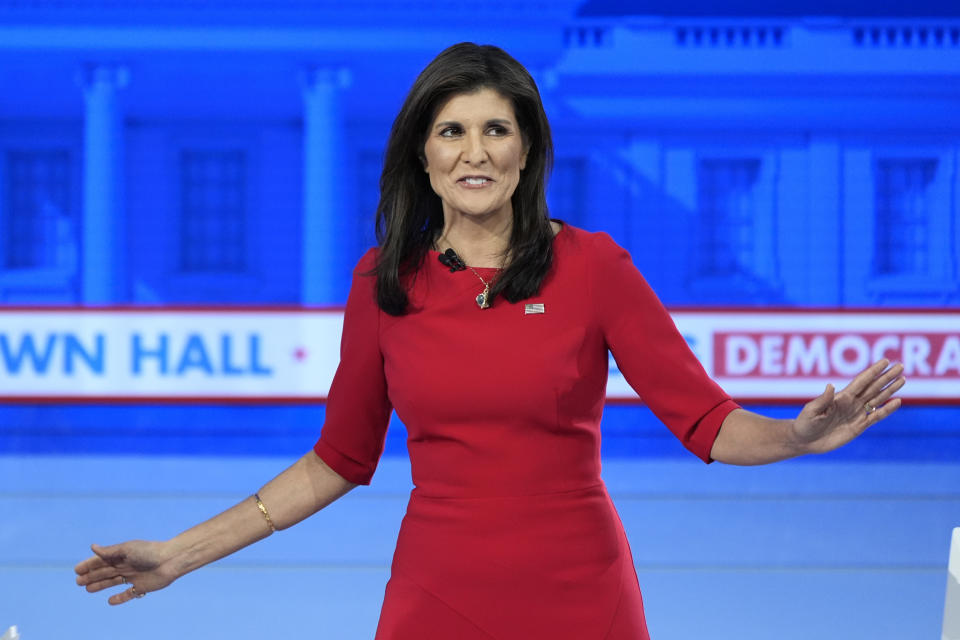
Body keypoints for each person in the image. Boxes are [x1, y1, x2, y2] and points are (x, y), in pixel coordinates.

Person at [75, 43, 905, 638]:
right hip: (438, 597)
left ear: (528, 151)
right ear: (423, 158)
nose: (475, 151)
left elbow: (707, 420)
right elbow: (337, 461)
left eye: (497, 130)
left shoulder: (595, 267)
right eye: (452, 132)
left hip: (584, 596)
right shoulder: (383, 281)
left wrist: (798, 435)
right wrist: (181, 555)